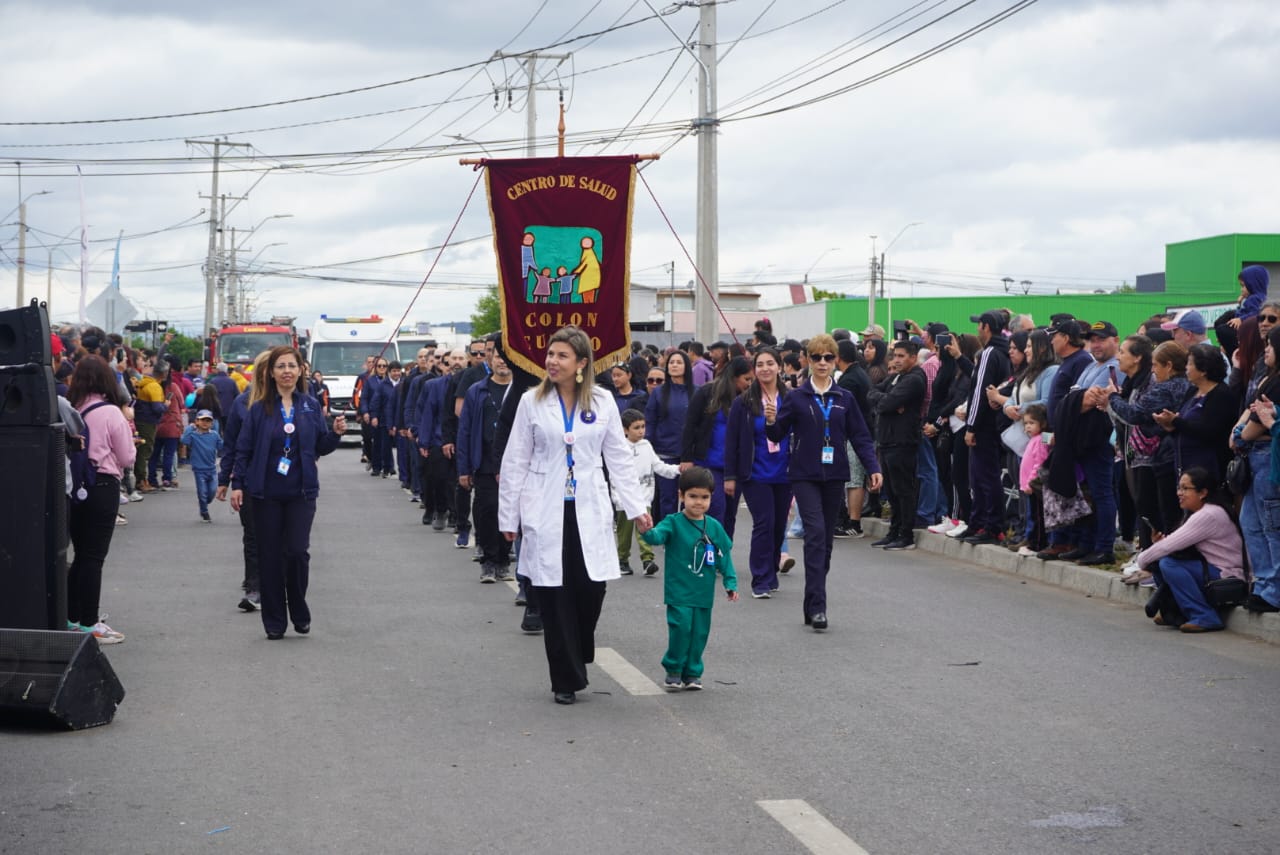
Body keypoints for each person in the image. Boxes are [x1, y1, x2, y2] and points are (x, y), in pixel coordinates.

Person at [498, 326, 652, 705]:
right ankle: (564, 679)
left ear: (582, 363)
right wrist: (508, 517)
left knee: (590, 588)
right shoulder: (530, 401)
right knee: (553, 592)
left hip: (588, 505)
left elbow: (617, 458)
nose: (552, 361)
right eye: (551, 354)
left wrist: (636, 507)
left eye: (562, 355)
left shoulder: (602, 402)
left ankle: (578, 649)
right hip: (545, 505)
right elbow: (516, 459)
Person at [766, 333, 882, 631]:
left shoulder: (845, 398)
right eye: (816, 357)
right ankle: (819, 606)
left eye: (828, 357)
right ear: (808, 359)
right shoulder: (796, 397)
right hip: (804, 475)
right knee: (815, 533)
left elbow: (860, 436)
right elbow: (777, 434)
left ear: (835, 361)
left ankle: (811, 599)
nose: (822, 363)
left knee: (825, 542)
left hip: (835, 476)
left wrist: (873, 468)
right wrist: (770, 420)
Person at [230, 347, 347, 640]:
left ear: (300, 371)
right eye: (280, 366)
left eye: (291, 366)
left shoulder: (309, 405)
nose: (286, 371)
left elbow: (321, 446)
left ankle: (298, 609)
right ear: (271, 373)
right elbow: (243, 449)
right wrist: (237, 485)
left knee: (296, 553)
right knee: (269, 556)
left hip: (301, 492)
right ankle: (274, 620)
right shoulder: (258, 408)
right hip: (265, 493)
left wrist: (335, 433)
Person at [640, 466, 739, 690]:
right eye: (693, 496)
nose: (698, 502)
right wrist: (645, 529)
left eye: (704, 497)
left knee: (699, 634)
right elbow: (656, 537)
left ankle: (693, 673)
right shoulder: (673, 522)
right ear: (681, 496)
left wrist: (730, 583)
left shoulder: (713, 527)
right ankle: (674, 669)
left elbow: (724, 557)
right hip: (679, 592)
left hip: (703, 594)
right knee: (681, 629)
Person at [66, 355, 136, 643]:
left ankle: (70, 618)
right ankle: (89, 623)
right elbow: (127, 456)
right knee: (94, 558)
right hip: (103, 485)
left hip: (74, 487)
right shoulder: (110, 412)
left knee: (80, 556)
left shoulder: (71, 408)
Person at [1136, 467, 1245, 632]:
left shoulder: (1208, 514)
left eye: (1185, 488)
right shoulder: (1199, 512)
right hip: (1213, 570)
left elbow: (1168, 545)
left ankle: (1204, 616)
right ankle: (1174, 610)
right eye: (1179, 487)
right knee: (1162, 562)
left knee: (1168, 564)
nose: (1179, 493)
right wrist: (1157, 547)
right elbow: (1173, 545)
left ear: (1203, 493)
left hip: (1227, 575)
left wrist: (1142, 560)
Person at [726, 347, 794, 597]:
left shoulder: (791, 399)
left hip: (785, 472)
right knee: (764, 524)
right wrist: (730, 476)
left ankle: (772, 570)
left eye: (770, 363)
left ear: (780, 366)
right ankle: (761, 579)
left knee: (778, 527)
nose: (765, 368)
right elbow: (732, 442)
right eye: (760, 364)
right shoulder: (742, 402)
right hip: (755, 474)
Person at [457, 348, 515, 583]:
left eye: (506, 356)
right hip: (485, 462)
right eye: (498, 356)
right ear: (491, 359)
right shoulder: (477, 390)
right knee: (488, 511)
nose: (502, 361)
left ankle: (503, 560)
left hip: (514, 463)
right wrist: (464, 468)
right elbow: (465, 430)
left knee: (510, 513)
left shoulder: (524, 391)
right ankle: (488, 562)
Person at [681, 355, 753, 539]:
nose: (750, 384)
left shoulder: (748, 399)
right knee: (716, 510)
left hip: (735, 466)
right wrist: (686, 458)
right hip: (708, 463)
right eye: (747, 379)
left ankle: (723, 553)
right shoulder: (707, 392)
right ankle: (708, 552)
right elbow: (690, 424)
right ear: (734, 377)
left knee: (730, 514)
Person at [868, 339, 927, 550]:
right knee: (892, 490)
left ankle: (906, 534)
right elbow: (872, 393)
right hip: (887, 440)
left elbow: (887, 403)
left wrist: (888, 402)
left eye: (902, 356)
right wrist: (887, 402)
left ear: (913, 357)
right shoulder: (896, 377)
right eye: (895, 356)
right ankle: (894, 530)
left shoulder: (915, 379)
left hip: (903, 441)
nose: (897, 360)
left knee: (904, 489)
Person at [961, 311, 1013, 546]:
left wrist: (970, 426)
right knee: (982, 477)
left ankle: (991, 525)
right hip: (995, 424)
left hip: (984, 426)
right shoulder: (1005, 351)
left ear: (986, 327)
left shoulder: (990, 352)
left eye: (979, 326)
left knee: (984, 478)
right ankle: (979, 523)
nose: (977, 330)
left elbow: (980, 391)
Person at [1152, 343, 1236, 483]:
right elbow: (1184, 425)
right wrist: (1170, 425)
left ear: (1203, 369)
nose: (1186, 368)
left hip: (1208, 470)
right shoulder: (1192, 391)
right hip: (1184, 466)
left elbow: (1209, 430)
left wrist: (1176, 421)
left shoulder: (1221, 394)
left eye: (1190, 364)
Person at [613, 409, 680, 576]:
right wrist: (616, 496)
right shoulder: (618, 447)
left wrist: (678, 469)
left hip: (644, 498)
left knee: (645, 528)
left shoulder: (647, 446)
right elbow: (614, 475)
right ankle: (622, 559)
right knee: (625, 533)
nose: (641, 431)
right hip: (624, 500)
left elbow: (659, 466)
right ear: (625, 430)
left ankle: (647, 560)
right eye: (636, 427)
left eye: (643, 426)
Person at [644, 349, 693, 521]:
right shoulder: (658, 392)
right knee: (667, 499)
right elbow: (650, 421)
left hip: (690, 455)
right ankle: (669, 538)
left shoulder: (697, 392)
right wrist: (646, 449)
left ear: (686, 366)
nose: (674, 365)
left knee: (690, 499)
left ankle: (687, 535)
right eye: (671, 362)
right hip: (665, 452)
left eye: (679, 362)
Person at [181, 409, 223, 522]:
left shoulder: (214, 435)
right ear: (197, 421)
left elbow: (221, 447)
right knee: (202, 492)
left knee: (212, 491)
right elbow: (184, 440)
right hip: (199, 469)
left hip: (212, 469)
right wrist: (190, 428)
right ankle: (204, 511)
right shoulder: (193, 435)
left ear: (212, 423)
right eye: (202, 420)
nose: (205, 423)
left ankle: (204, 503)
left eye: (208, 420)